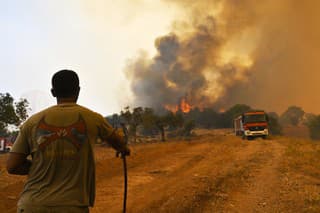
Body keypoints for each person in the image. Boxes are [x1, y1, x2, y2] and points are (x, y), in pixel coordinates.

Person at [6, 70, 130, 213]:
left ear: (53, 92)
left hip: (32, 205)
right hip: (72, 206)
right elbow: (117, 141)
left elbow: (12, 166)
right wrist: (123, 149)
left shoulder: (32, 122)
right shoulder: (93, 119)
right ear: (78, 90)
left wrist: (37, 167)